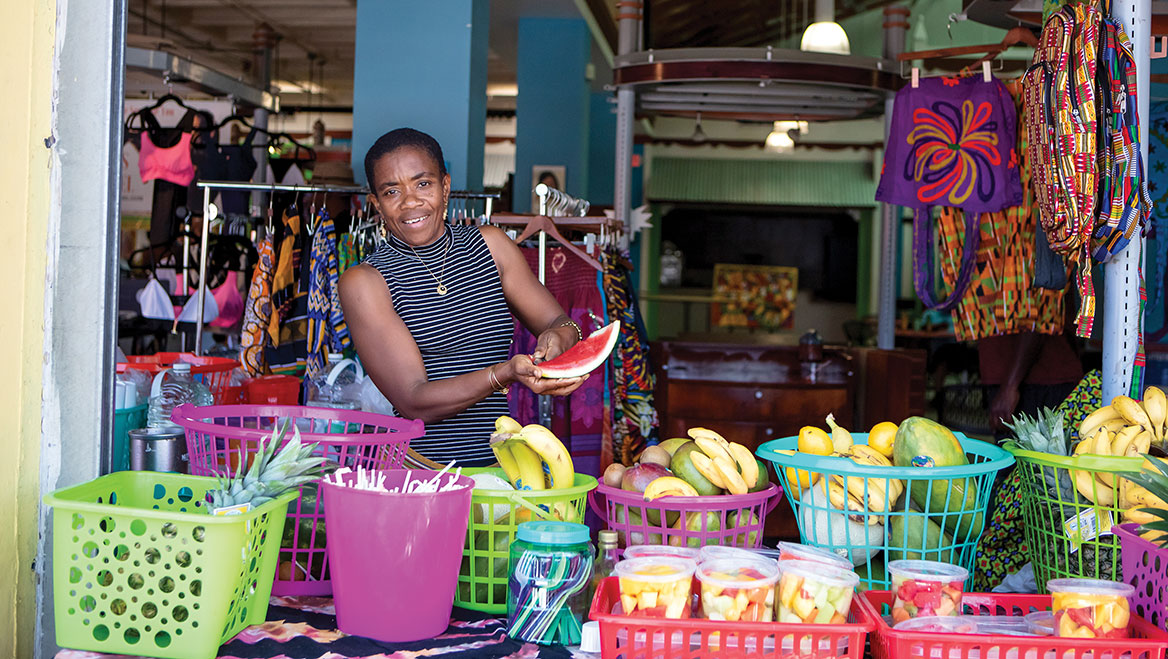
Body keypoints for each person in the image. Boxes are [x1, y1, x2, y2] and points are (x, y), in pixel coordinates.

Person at [339, 128, 586, 466]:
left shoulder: (491, 246)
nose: (410, 201)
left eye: (422, 184)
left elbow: (561, 321)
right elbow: (415, 401)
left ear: (445, 186)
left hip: (504, 466)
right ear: (376, 204)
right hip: (423, 470)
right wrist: (505, 373)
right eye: (392, 191)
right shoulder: (365, 282)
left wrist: (560, 337)